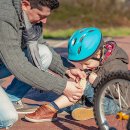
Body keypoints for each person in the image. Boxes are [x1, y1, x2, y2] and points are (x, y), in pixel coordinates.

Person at [0, 0, 86, 128]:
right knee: (8, 118)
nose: (44, 21)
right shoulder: (4, 17)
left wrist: (67, 69)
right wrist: (63, 86)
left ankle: (10, 99)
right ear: (25, 4)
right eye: (41, 16)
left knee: (43, 52)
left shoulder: (30, 18)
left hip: (4, 61)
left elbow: (41, 45)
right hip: (10, 61)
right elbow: (18, 65)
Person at [24, 27, 129, 122]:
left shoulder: (116, 65)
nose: (83, 67)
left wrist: (97, 81)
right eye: (81, 64)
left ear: (98, 54)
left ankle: (51, 108)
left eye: (86, 63)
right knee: (72, 104)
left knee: (83, 86)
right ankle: (90, 110)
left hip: (116, 105)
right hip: (95, 98)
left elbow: (121, 95)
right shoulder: (98, 59)